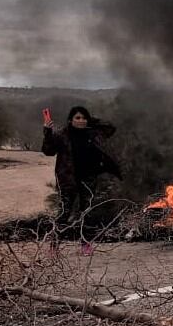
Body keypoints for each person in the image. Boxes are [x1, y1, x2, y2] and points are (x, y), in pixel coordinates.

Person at [42, 105, 121, 255]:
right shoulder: (62, 134)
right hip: (68, 179)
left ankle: (85, 244)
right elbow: (48, 151)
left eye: (84, 118)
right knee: (64, 212)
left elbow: (110, 127)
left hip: (89, 178)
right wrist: (47, 131)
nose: (81, 121)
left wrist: (92, 120)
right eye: (77, 118)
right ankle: (54, 246)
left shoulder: (93, 133)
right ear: (70, 120)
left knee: (87, 212)